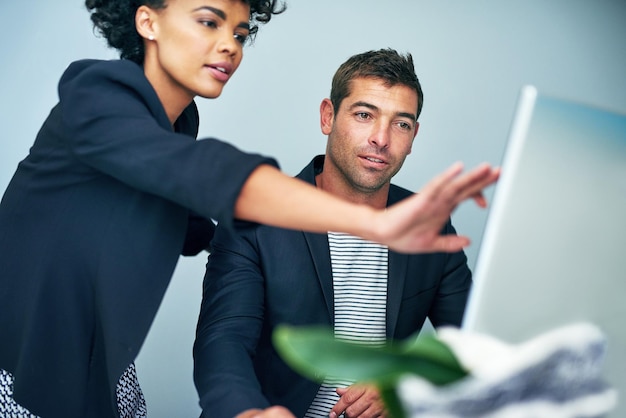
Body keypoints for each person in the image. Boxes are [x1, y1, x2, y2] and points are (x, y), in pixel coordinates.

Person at [0, 0, 498, 417]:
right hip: (21, 368)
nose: (230, 45)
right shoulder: (96, 92)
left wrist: (405, 388)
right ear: (148, 21)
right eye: (209, 21)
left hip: (101, 370)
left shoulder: (176, 126)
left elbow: (185, 213)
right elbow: (208, 178)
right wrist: (371, 223)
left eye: (239, 31)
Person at [193, 48, 476, 418]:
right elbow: (223, 341)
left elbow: (478, 346)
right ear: (328, 116)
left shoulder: (429, 224)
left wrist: (405, 384)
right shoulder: (256, 218)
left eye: (401, 123)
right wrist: (249, 413)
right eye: (364, 115)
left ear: (414, 135)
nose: (381, 138)